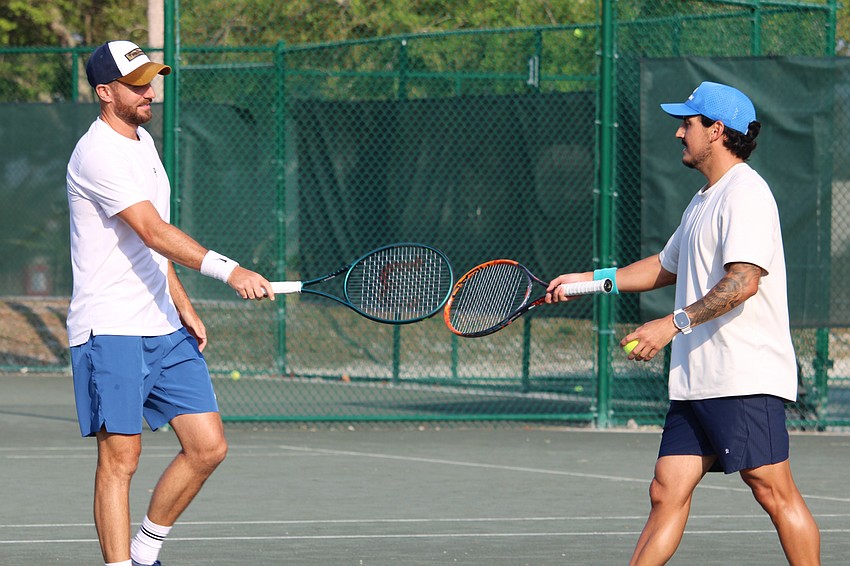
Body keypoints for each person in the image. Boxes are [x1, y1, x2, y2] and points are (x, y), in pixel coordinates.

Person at [546, 81, 820, 565]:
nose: (678, 133)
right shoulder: (704, 199)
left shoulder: (747, 194)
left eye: (687, 123)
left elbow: (743, 283)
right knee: (665, 490)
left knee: (772, 491)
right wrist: (587, 281)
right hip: (697, 379)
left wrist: (670, 325)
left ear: (717, 131)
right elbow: (663, 266)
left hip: (743, 375)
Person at [66, 40, 275, 566]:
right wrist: (230, 271)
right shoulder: (96, 153)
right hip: (110, 328)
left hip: (161, 326)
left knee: (208, 446)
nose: (149, 92)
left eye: (151, 80)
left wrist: (179, 301)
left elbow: (147, 244)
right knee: (121, 459)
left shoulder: (143, 144)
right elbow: (154, 231)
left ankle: (144, 552)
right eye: (136, 85)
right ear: (104, 92)